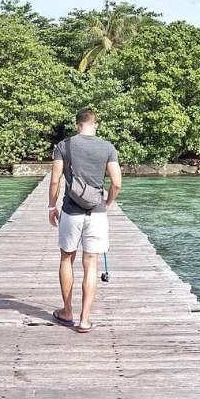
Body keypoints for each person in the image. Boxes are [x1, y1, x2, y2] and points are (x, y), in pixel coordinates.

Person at [48, 108, 122, 333]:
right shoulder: (107, 147)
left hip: (71, 211)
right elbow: (117, 183)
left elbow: (55, 180)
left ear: (77, 124)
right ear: (95, 124)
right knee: (91, 264)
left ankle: (67, 312)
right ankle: (85, 320)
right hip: (96, 212)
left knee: (66, 259)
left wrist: (52, 206)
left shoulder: (64, 146)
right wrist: (108, 202)